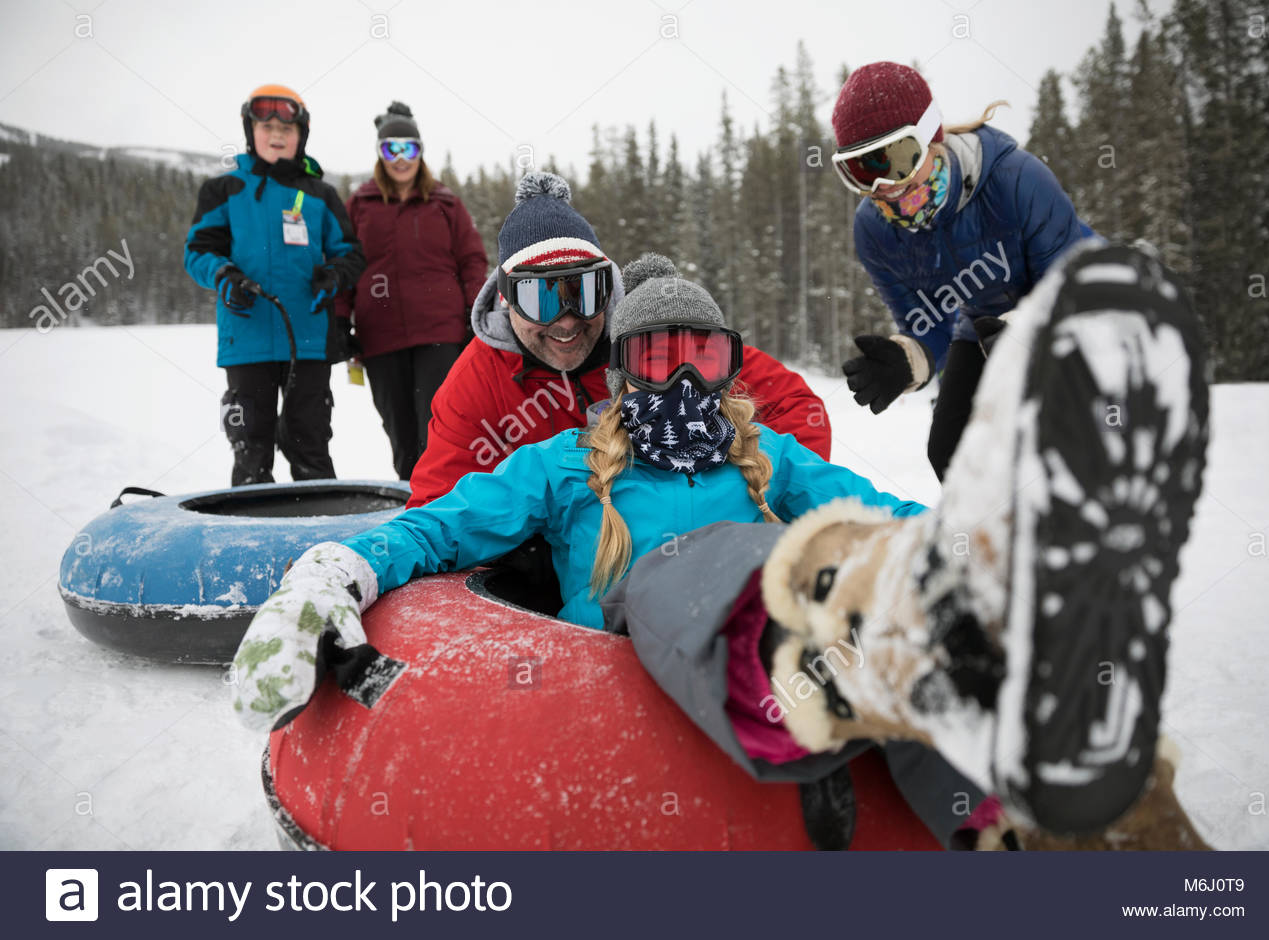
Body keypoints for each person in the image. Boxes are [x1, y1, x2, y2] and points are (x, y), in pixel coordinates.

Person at [230, 243, 1211, 848]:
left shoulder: (766, 456)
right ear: (624, 372)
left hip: (833, 608)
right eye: (657, 357)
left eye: (702, 355)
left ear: (727, 364)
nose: (683, 380)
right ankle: (802, 650)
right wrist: (335, 569)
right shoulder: (571, 466)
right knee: (703, 563)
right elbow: (444, 521)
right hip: (665, 623)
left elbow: (871, 506)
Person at [404, 171, 831, 508]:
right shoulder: (476, 385)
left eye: (585, 293)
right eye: (541, 300)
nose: (568, 323)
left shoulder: (655, 340)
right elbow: (437, 506)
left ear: (609, 289)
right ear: (505, 299)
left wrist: (736, 498)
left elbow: (797, 409)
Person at [829, 62, 1095, 483]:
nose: (884, 185)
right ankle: (985, 543)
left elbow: (1067, 283)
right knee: (951, 449)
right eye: (862, 170)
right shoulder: (874, 230)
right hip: (984, 326)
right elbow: (927, 322)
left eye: (897, 159)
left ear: (930, 134)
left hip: (1084, 303)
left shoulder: (1016, 180)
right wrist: (908, 359)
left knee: (1058, 440)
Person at [185, 84, 364, 485]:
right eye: (266, 126)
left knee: (311, 444)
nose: (277, 134)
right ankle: (251, 539)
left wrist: (333, 276)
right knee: (250, 449)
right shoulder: (224, 190)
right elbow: (197, 252)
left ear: (301, 135)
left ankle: (322, 537)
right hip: (246, 340)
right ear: (251, 132)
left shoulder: (320, 194)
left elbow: (352, 255)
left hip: (309, 343)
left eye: (287, 127)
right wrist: (224, 276)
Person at [336, 102, 488, 480]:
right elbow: (342, 264)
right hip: (380, 337)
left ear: (421, 152)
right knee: (401, 436)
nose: (401, 159)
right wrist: (339, 321)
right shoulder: (359, 205)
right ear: (379, 153)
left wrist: (476, 313)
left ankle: (444, 510)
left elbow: (471, 261)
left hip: (440, 332)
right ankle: (412, 508)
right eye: (391, 149)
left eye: (410, 149)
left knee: (439, 429)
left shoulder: (446, 203)